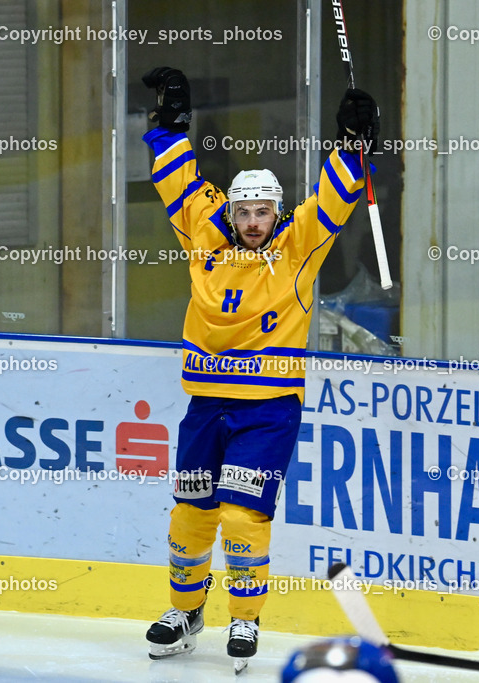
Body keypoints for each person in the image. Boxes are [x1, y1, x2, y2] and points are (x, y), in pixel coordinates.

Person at [139, 66, 379, 672]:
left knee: (244, 515)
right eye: (243, 211)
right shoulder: (204, 234)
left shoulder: (297, 250)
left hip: (268, 411)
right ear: (231, 211)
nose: (251, 222)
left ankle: (243, 620)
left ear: (277, 212)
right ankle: (185, 610)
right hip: (206, 407)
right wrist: (171, 119)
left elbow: (333, 199)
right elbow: (177, 181)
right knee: (190, 513)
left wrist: (352, 144)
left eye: (262, 212)